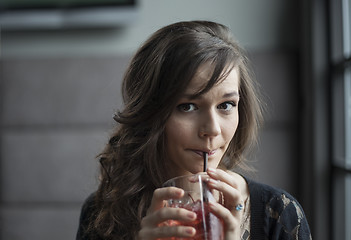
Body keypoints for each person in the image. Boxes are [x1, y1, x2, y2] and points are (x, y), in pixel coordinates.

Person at [76, 20, 312, 240]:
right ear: (150, 113)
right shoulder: (102, 213)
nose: (212, 129)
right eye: (187, 106)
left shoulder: (280, 214)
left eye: (226, 105)